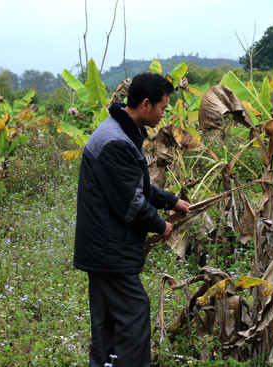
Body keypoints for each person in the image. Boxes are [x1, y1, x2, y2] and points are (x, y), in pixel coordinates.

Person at [73, 72, 190, 367]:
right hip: (109, 248)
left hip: (102, 247)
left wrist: (171, 200)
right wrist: (161, 225)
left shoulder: (119, 131)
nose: (164, 115)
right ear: (146, 104)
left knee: (108, 319)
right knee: (134, 312)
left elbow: (133, 186)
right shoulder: (116, 142)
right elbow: (131, 204)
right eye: (163, 108)